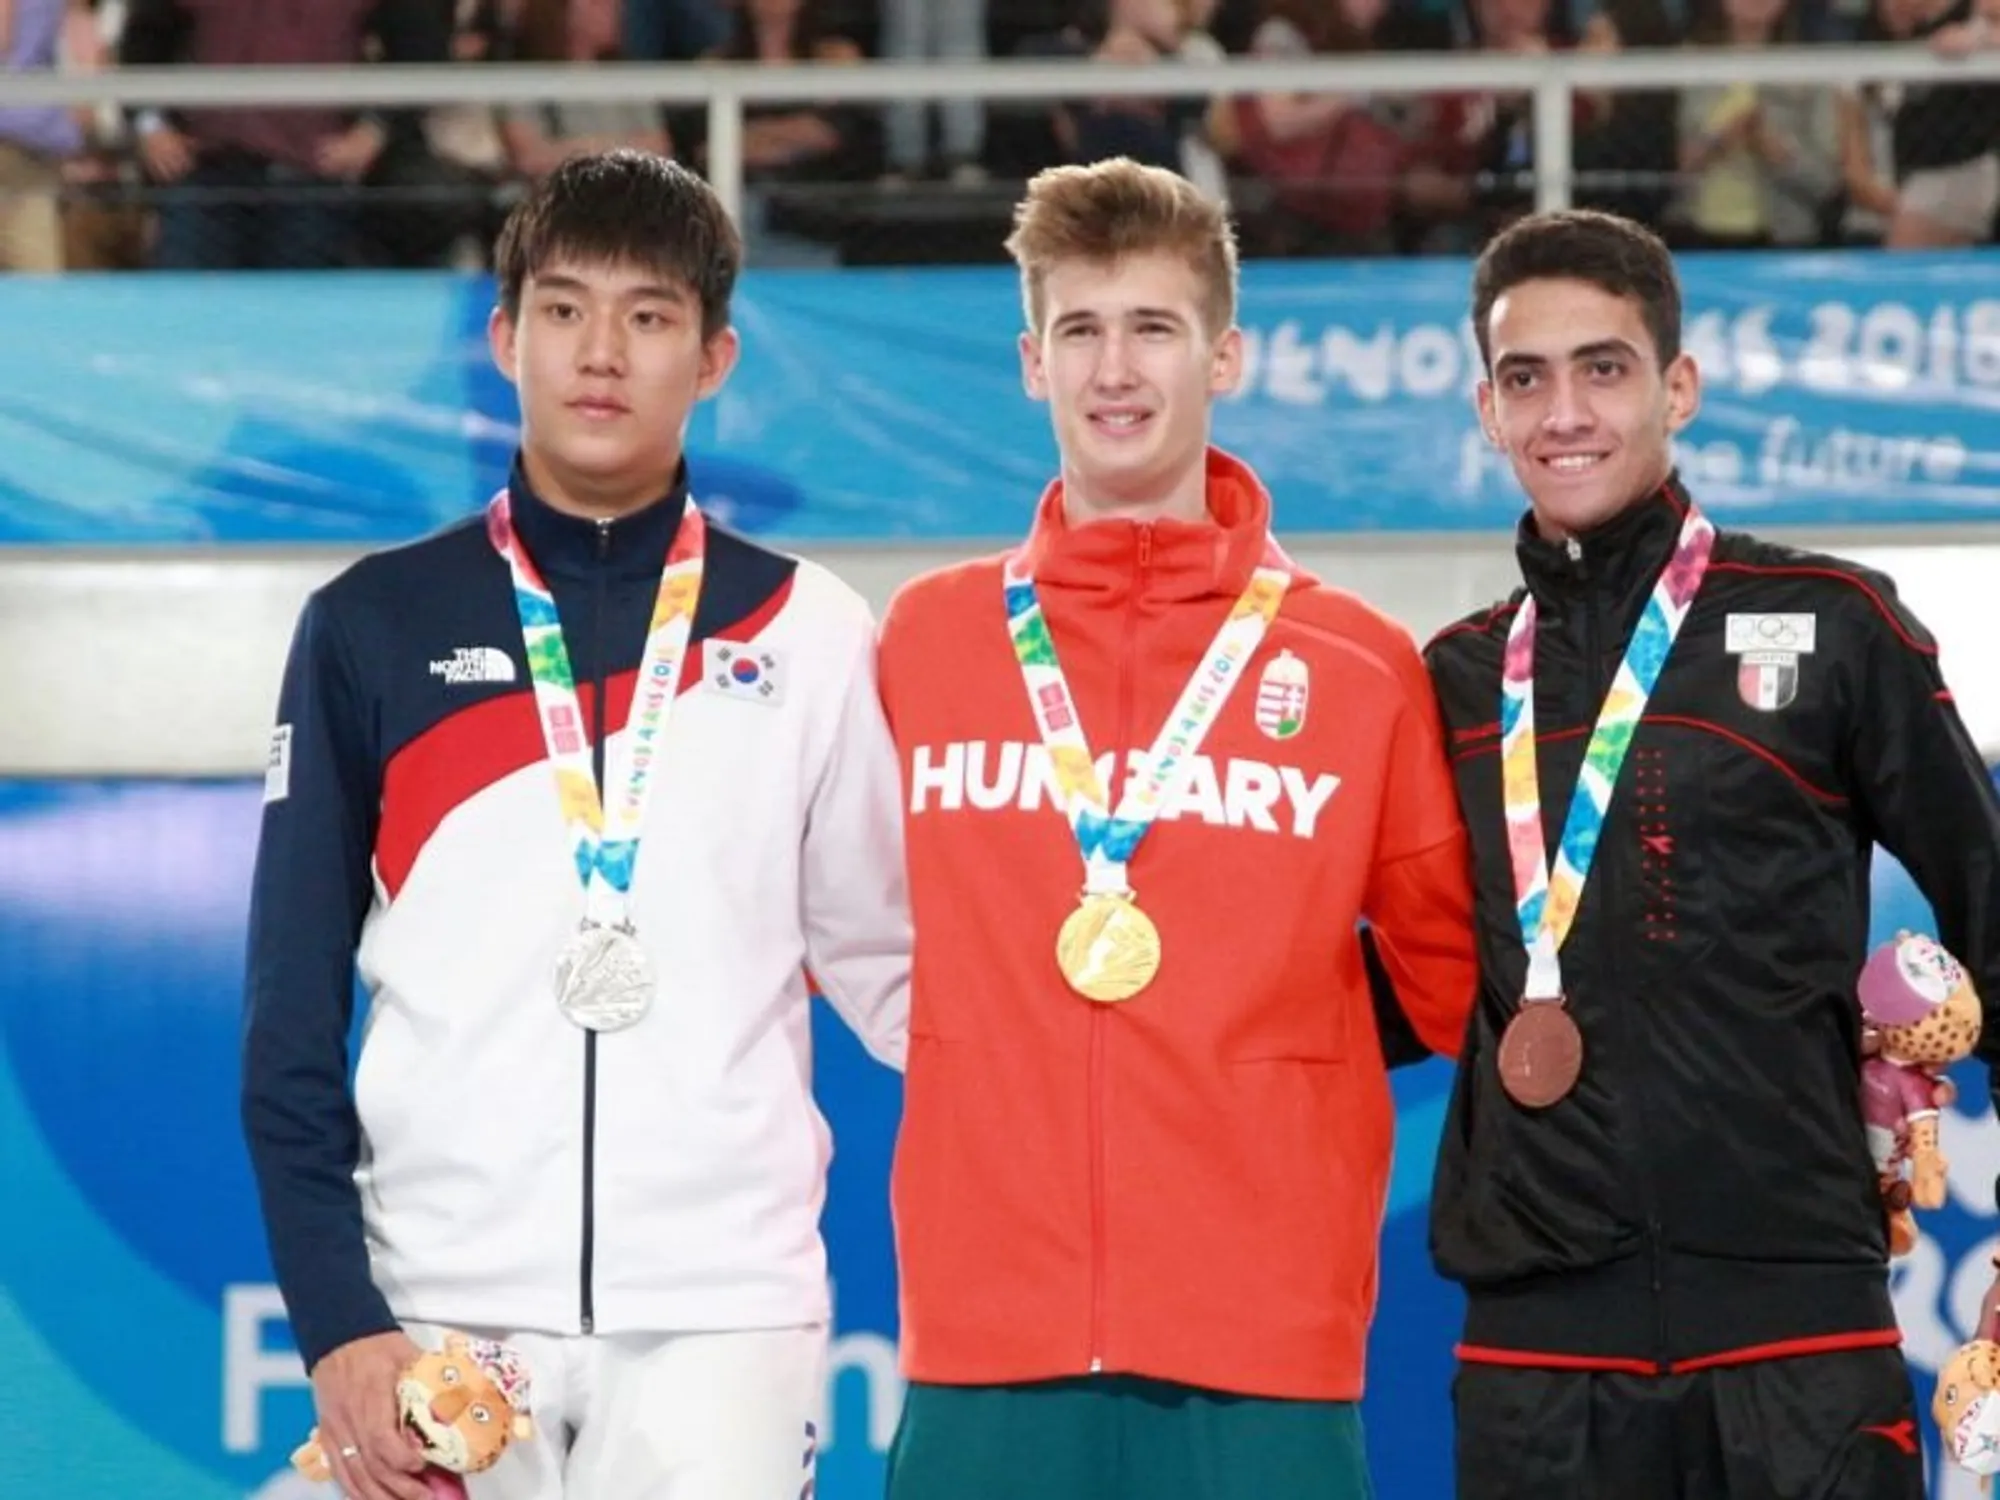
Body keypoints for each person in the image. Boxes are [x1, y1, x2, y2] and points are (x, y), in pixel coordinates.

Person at [240, 150, 910, 1500]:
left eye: (649, 316)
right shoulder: (372, 625)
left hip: (725, 1316)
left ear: (714, 357)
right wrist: (339, 1320)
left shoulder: (815, 634)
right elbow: (287, 1016)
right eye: (564, 309)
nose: (602, 353)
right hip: (437, 1307)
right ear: (505, 339)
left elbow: (903, 980)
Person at [875, 156, 1480, 1500]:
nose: (1115, 370)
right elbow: (829, 928)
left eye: (1153, 327)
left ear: (1226, 356)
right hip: (984, 1330)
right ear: (1031, 363)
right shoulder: (927, 642)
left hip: (1265, 1344)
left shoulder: (1356, 666)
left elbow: (1461, 988)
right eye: (1079, 330)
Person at [1423, 207, 2000, 1499]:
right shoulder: (1453, 681)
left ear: (1677, 387)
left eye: (1604, 368)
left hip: (1798, 1332)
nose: (1566, 412)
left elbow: (1990, 909)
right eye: (1527, 378)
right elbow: (1404, 978)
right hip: (1538, 1357)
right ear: (1487, 411)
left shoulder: (1832, 623)